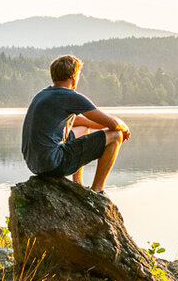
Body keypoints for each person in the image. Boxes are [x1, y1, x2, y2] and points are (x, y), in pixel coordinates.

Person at [20, 55, 131, 191]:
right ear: (74, 76)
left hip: (35, 164)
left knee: (83, 128)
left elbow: (82, 122)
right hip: (53, 163)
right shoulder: (70, 96)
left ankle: (78, 183)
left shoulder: (42, 95)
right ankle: (98, 190)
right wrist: (123, 127)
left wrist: (101, 127)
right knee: (116, 135)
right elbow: (113, 124)